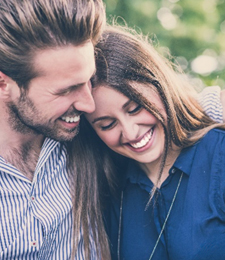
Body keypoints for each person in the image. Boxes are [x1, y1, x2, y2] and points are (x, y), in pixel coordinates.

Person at [72, 25, 225, 260]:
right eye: (107, 125)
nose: (131, 132)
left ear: (159, 84)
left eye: (135, 108)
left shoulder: (218, 153)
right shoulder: (108, 188)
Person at [0, 0, 111, 259]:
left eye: (89, 81)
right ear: (4, 84)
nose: (88, 104)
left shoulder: (93, 134)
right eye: (66, 90)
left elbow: (182, 114)